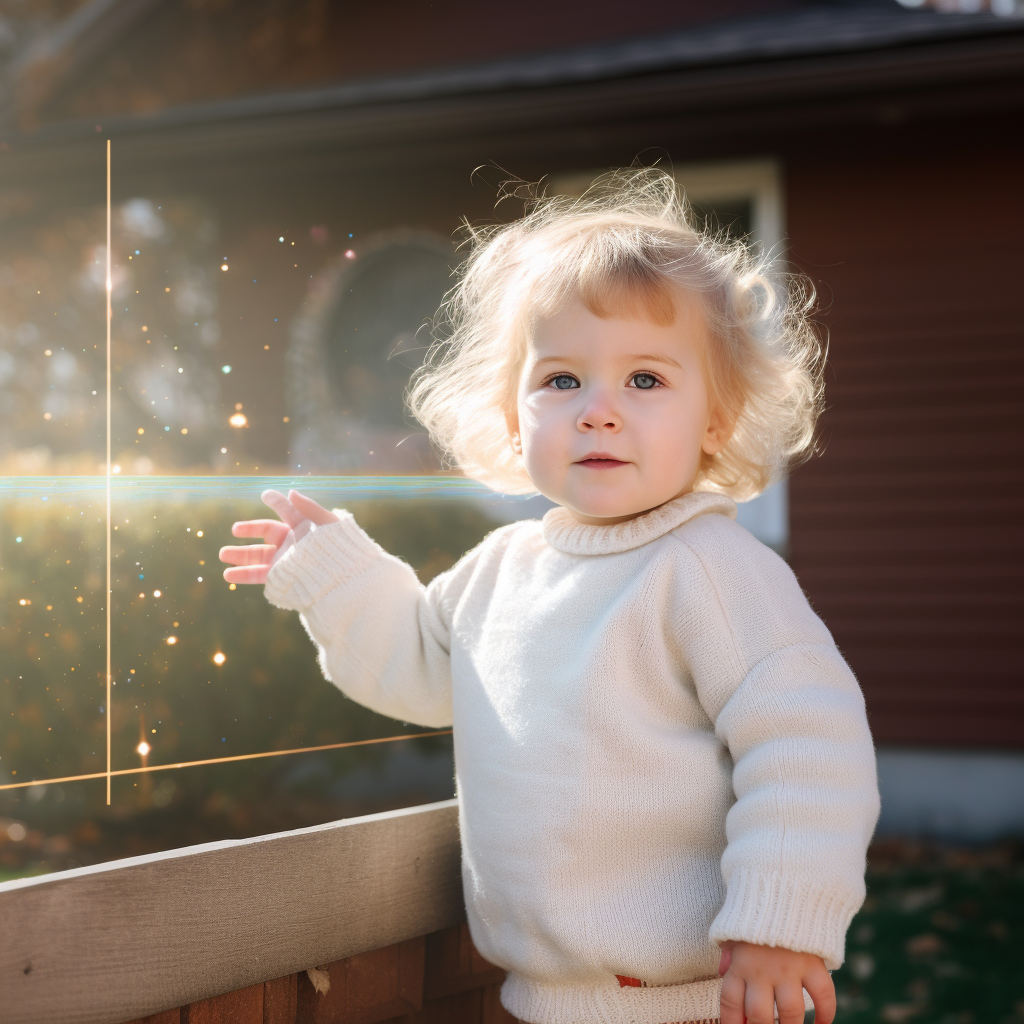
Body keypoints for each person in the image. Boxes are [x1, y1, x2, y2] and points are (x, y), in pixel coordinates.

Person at [220, 168, 880, 1024]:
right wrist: (337, 572)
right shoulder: (503, 566)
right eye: (562, 380)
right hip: (536, 998)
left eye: (645, 380)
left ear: (715, 418)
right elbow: (419, 668)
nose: (598, 411)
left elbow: (810, 746)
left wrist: (780, 925)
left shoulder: (709, 570)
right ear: (510, 413)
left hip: (694, 1000)